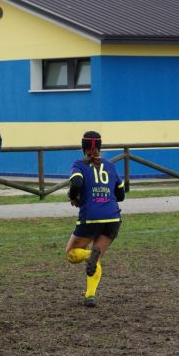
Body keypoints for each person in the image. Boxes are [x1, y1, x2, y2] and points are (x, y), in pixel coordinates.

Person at [65, 131, 125, 308]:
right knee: (96, 259)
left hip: (91, 217)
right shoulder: (110, 165)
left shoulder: (79, 164)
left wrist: (73, 197)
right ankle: (90, 295)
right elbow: (121, 194)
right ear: (100, 147)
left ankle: (89, 255)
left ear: (83, 147)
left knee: (71, 254)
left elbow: (76, 183)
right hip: (113, 218)